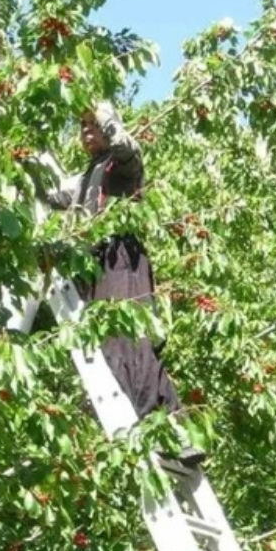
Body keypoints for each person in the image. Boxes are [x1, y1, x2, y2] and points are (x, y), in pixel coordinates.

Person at [29, 102, 206, 467]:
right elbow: (54, 196)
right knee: (111, 346)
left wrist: (109, 119)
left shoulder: (120, 165)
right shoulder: (85, 177)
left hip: (121, 258)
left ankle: (170, 431)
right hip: (94, 265)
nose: (87, 132)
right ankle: (159, 429)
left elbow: (129, 149)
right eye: (83, 127)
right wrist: (25, 166)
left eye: (93, 126)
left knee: (129, 342)